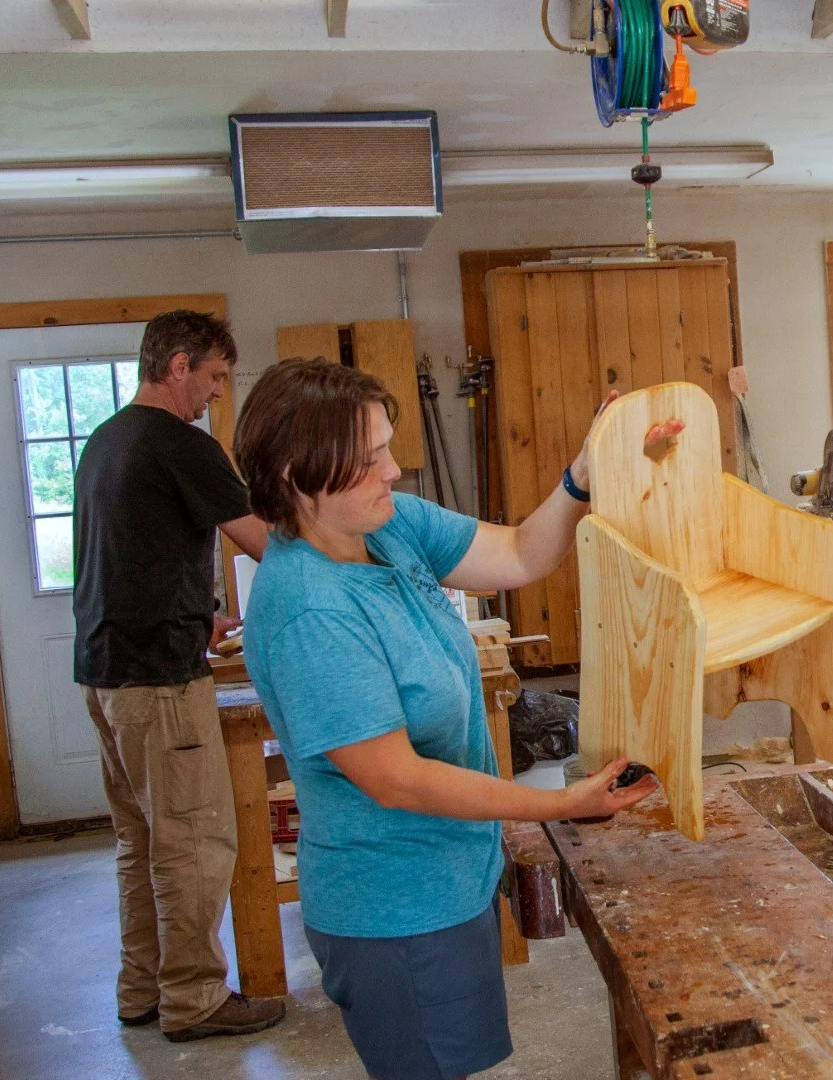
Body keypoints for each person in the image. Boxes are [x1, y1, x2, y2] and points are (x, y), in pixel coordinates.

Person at [233, 358, 663, 1080]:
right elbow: (397, 779)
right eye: (367, 460)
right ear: (293, 475)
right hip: (391, 910)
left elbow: (523, 552)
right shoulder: (312, 610)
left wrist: (580, 477)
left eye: (386, 447)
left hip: (449, 878)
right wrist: (557, 805)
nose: (393, 471)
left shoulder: (389, 528)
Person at [73, 309, 282, 1041]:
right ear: (178, 365)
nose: (218, 393)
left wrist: (199, 613)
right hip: (158, 680)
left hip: (106, 672)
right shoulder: (178, 442)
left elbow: (134, 556)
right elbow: (262, 542)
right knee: (194, 842)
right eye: (215, 376)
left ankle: (143, 989)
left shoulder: (107, 440)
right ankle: (194, 999)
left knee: (141, 842)